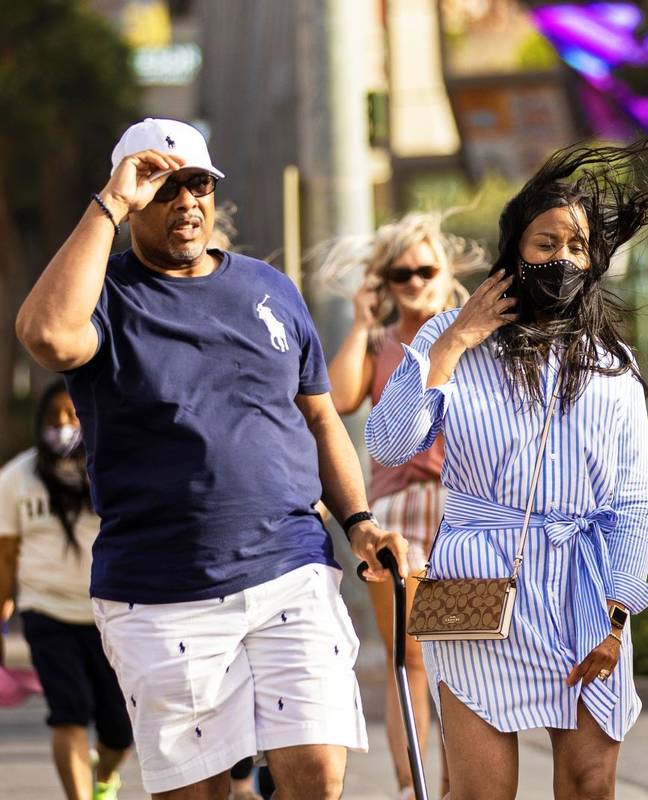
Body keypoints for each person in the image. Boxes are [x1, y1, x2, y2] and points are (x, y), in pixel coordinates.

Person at [14, 117, 406, 799]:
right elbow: (46, 335)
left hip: (290, 571)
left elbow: (319, 418)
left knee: (318, 775)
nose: (186, 200)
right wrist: (110, 202)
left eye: (197, 184)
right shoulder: (106, 297)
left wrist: (360, 522)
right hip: (161, 594)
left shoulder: (269, 289)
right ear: (134, 199)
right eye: (163, 187)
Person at [365, 140, 648, 800]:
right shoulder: (449, 336)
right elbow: (389, 444)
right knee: (483, 794)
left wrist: (618, 616)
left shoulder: (612, 363)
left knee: (591, 783)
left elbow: (635, 498)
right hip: (478, 582)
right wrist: (453, 342)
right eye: (544, 244)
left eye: (576, 246)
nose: (561, 259)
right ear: (513, 253)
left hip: (586, 592)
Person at [325, 212, 483, 797]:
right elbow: (338, 398)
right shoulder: (378, 341)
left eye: (425, 269)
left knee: (464, 658)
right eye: (400, 273)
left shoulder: (470, 337)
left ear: (446, 273)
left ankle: (455, 786)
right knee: (409, 662)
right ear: (384, 282)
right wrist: (362, 320)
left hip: (467, 509)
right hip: (396, 515)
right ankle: (416, 788)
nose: (414, 281)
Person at [0, 382, 132, 800]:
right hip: (47, 612)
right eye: (54, 416)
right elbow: (6, 555)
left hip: (110, 613)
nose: (62, 424)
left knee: (119, 727)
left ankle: (105, 776)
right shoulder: (17, 478)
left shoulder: (113, 471)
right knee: (68, 711)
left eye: (72, 415)